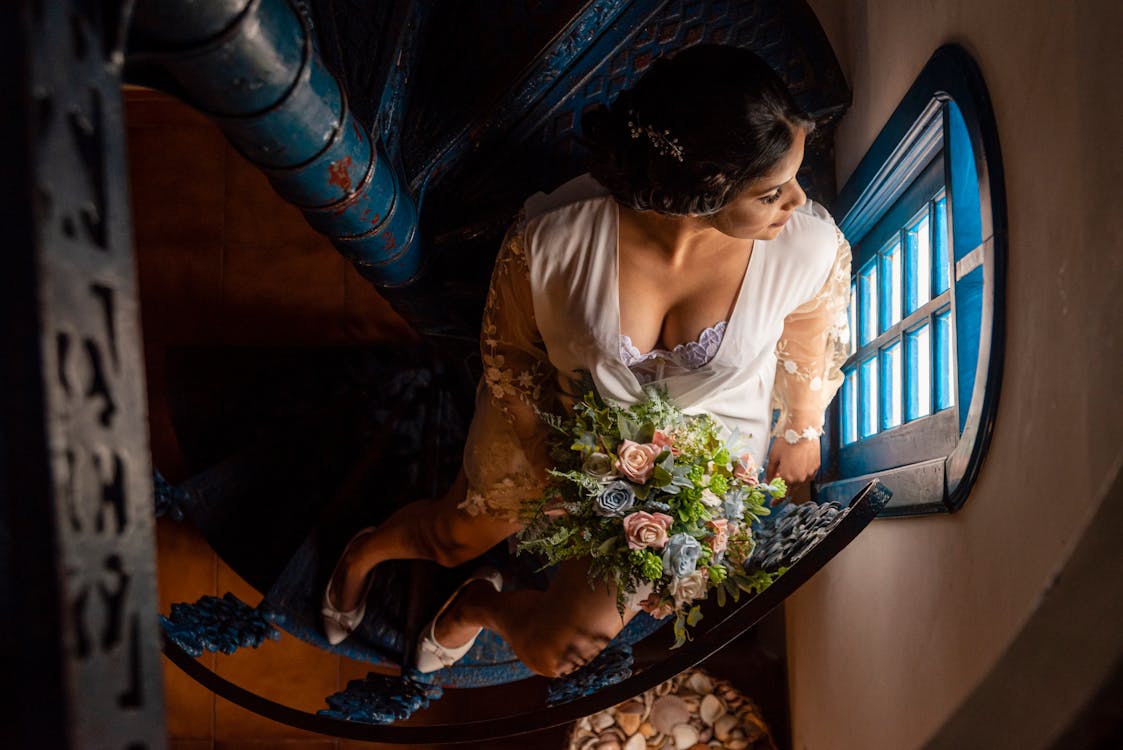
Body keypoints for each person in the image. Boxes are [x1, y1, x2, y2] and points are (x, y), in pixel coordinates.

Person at [320, 45, 851, 677]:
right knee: (450, 538)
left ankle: (480, 607)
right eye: (771, 192)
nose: (797, 201)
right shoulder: (554, 237)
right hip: (552, 433)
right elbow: (509, 355)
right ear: (702, 189)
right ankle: (363, 553)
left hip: (695, 474)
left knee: (555, 655)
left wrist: (801, 423)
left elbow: (814, 319)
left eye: (791, 179)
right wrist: (556, 465)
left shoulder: (804, 244)